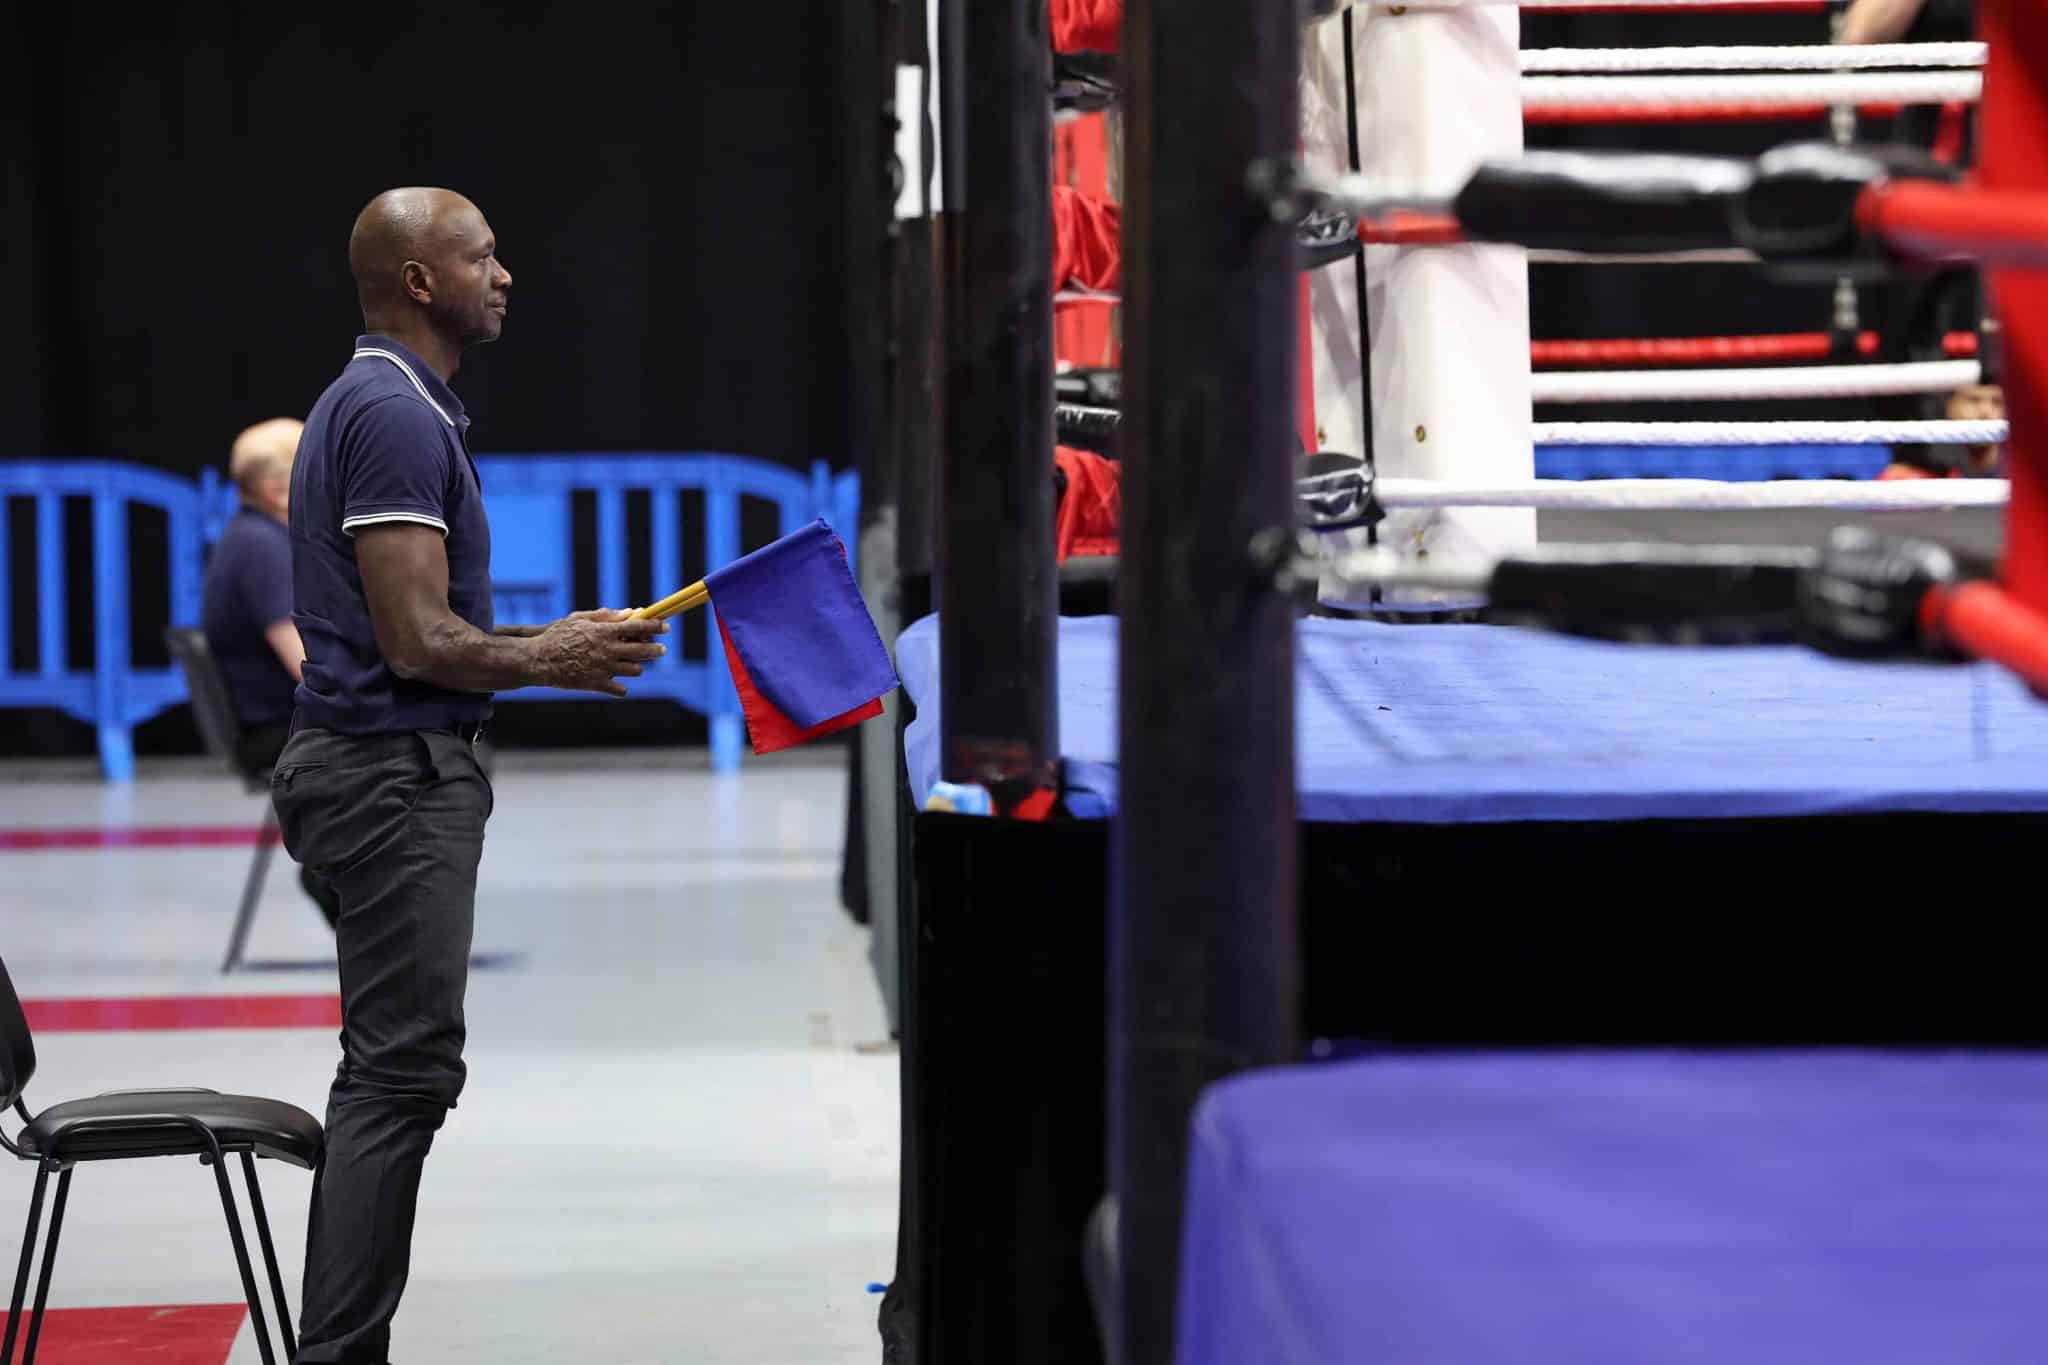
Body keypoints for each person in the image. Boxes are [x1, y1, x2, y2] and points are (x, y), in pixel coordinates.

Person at [271, 186, 668, 1365]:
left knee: (397, 1070)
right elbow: (414, 642)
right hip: (387, 774)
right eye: (481, 257)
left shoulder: (389, 405)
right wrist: (547, 656)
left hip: (382, 769)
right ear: (418, 281)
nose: (504, 276)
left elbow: (416, 631)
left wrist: (547, 643)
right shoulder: (393, 415)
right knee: (397, 1076)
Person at [200, 417, 343, 929]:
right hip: (280, 732)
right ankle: (339, 872)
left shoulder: (252, 537)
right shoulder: (263, 551)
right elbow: (309, 667)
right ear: (277, 490)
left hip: (284, 723)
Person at [1880, 380, 2006, 478]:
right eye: (1973, 400)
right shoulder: (1916, 473)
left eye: (1997, 402)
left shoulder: (2016, 472)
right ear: (1950, 406)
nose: (1985, 412)